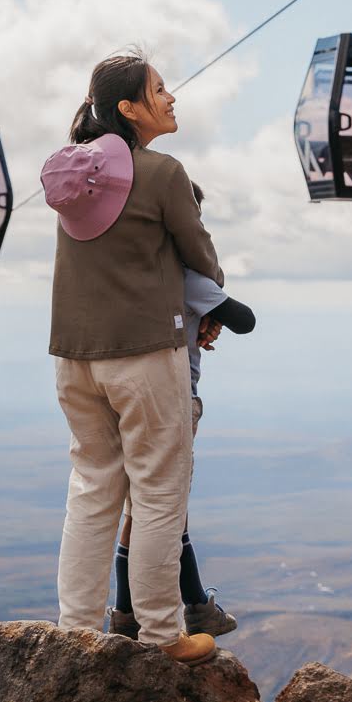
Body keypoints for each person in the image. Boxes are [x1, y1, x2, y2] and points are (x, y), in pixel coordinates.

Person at [43, 51, 224, 665]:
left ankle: (73, 633)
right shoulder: (163, 173)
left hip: (73, 356)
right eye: (159, 89)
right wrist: (214, 304)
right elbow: (198, 252)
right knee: (158, 492)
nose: (171, 98)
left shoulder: (76, 176)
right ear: (130, 108)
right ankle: (159, 635)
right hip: (145, 354)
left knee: (92, 488)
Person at [107, 182, 255, 641]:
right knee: (167, 511)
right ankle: (190, 607)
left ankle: (130, 613)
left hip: (122, 397)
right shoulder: (186, 277)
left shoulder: (122, 270)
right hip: (171, 402)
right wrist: (213, 297)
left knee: (142, 509)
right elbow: (246, 320)